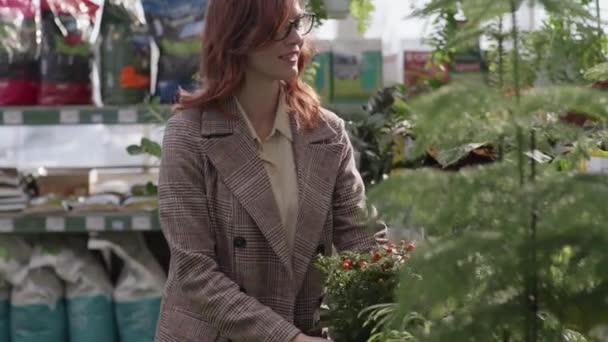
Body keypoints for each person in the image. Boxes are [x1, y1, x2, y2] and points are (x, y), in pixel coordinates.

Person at [154, 0, 386, 341]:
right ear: (237, 36)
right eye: (280, 28)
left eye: (298, 24)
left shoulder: (325, 133)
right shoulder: (190, 134)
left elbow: (363, 241)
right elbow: (195, 273)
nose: (296, 39)